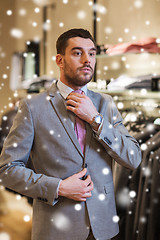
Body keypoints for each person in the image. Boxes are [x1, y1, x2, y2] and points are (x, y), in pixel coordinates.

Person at [0, 28, 142, 240]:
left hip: (104, 230)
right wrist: (59, 187)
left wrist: (96, 120)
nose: (87, 60)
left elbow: (133, 158)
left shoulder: (106, 104)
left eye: (92, 53)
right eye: (77, 53)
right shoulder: (32, 107)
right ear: (60, 60)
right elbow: (7, 170)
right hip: (55, 230)